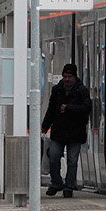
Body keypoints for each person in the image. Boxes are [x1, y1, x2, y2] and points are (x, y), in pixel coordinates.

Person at [42, 63, 92, 198]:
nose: (67, 79)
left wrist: (69, 108)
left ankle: (69, 186)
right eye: (65, 76)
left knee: (72, 160)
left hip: (75, 132)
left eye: (69, 76)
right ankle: (56, 182)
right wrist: (44, 126)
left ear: (75, 77)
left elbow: (87, 108)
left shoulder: (82, 91)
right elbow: (51, 109)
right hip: (59, 131)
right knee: (53, 156)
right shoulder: (57, 90)